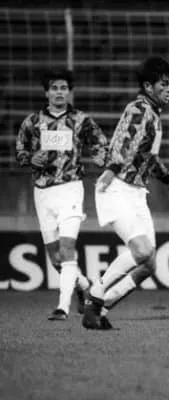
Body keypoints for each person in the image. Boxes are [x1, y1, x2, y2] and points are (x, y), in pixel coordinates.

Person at [82, 55, 169, 330]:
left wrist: (168, 180)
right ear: (148, 86)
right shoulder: (139, 109)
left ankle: (101, 308)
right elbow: (123, 143)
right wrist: (111, 170)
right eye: (164, 84)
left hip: (136, 192)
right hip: (117, 187)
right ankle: (95, 294)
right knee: (142, 251)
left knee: (149, 264)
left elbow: (148, 156)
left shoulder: (153, 114)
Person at [16, 68, 108, 320]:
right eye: (54, 88)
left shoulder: (81, 120)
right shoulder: (32, 122)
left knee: (67, 250)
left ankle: (62, 307)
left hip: (71, 189)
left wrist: (101, 157)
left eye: (64, 88)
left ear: (69, 92)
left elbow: (100, 144)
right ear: (46, 92)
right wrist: (31, 158)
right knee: (55, 258)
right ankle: (85, 286)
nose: (59, 92)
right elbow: (20, 152)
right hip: (43, 192)